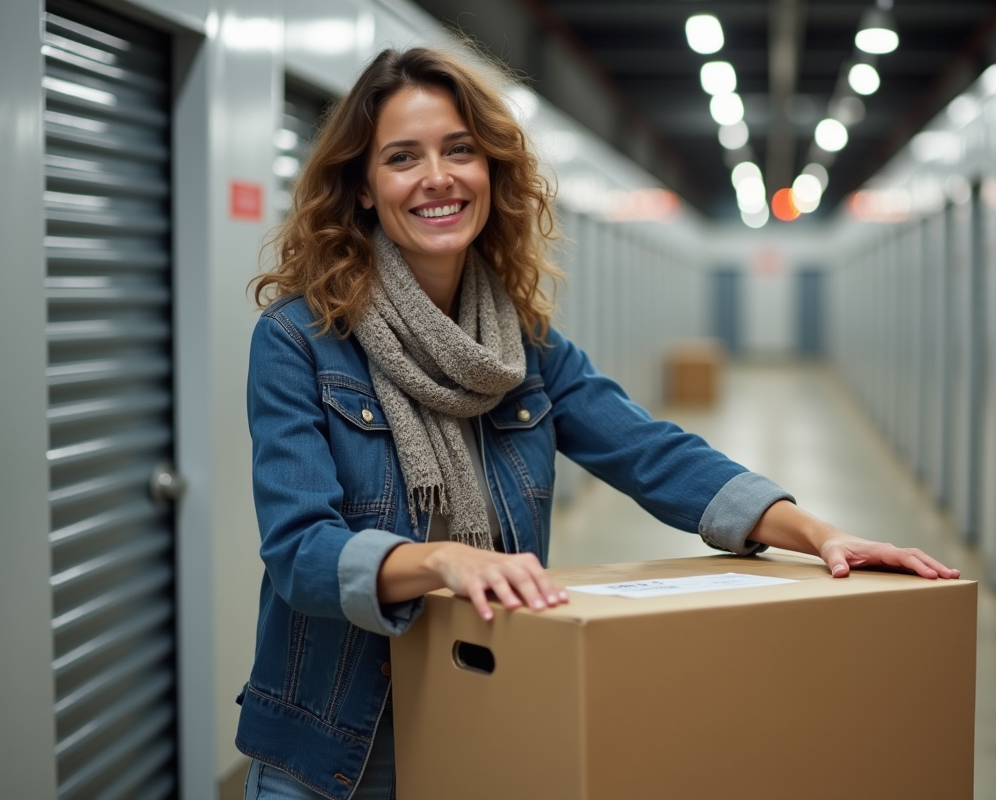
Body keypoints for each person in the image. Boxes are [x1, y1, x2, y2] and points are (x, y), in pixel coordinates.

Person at [236, 46, 959, 800]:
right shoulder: (299, 340)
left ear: (492, 172)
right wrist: (443, 560)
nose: (438, 178)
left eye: (460, 151)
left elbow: (653, 454)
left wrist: (824, 536)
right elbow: (300, 550)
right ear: (361, 186)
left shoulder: (524, 348)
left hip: (484, 710)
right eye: (402, 158)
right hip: (332, 751)